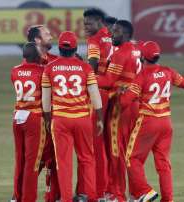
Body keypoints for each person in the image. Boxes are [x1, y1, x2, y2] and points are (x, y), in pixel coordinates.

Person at [119, 41, 184, 202]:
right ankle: (168, 199)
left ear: (143, 58)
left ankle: (145, 191)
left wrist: (124, 91)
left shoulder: (142, 76)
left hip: (148, 123)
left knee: (132, 158)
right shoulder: (168, 71)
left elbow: (124, 102)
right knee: (163, 164)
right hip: (166, 123)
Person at [42, 31, 103, 202]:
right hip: (82, 119)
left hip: (60, 119)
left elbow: (46, 99)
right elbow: (95, 95)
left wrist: (47, 120)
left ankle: (66, 198)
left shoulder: (50, 68)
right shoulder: (86, 67)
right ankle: (91, 197)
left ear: (59, 48)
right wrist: (99, 118)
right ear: (76, 48)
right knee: (87, 159)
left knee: (64, 162)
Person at [96, 20, 141, 202]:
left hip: (120, 107)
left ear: (124, 33)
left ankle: (116, 194)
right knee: (130, 152)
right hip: (136, 104)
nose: (111, 35)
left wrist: (86, 76)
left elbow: (107, 81)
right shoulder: (137, 50)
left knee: (116, 151)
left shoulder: (121, 53)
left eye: (114, 32)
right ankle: (136, 193)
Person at [10, 42, 48, 202]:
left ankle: (17, 197)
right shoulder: (43, 71)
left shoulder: (15, 71)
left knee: (20, 160)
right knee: (33, 163)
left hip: (18, 117)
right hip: (34, 118)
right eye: (40, 51)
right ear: (36, 55)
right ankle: (28, 198)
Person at [27, 25, 60, 202]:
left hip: (54, 118)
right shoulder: (30, 64)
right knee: (34, 160)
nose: (51, 35)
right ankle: (20, 195)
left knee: (54, 160)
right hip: (36, 120)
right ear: (37, 40)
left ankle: (52, 196)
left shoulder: (55, 60)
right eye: (47, 34)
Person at [82, 8, 112, 200]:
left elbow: (92, 64)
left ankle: (99, 192)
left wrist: (80, 69)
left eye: (89, 24)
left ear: (99, 21)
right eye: (84, 24)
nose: (86, 27)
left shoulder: (94, 40)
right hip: (113, 93)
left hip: (99, 94)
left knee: (96, 146)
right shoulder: (111, 36)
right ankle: (110, 190)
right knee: (109, 146)